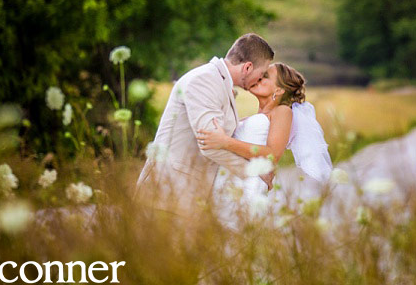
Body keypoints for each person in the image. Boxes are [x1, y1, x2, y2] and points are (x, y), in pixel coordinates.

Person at [134, 33, 274, 218]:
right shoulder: (205, 80)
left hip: (184, 197)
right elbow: (210, 145)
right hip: (166, 195)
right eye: (261, 73)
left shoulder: (217, 81)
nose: (260, 79)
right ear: (248, 67)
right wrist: (254, 173)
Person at [197, 62, 332, 229]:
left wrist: (226, 142)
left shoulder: (282, 111)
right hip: (229, 180)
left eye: (265, 77)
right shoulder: (256, 116)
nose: (258, 78)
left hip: (248, 187)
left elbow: (272, 155)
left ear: (279, 90)